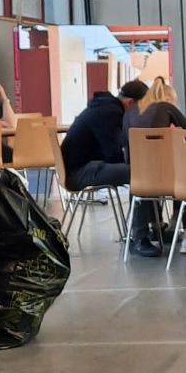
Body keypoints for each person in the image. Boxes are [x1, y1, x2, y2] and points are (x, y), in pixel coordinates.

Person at [61, 79, 157, 258]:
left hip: (82, 167)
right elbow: (113, 153)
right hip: (80, 172)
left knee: (140, 171)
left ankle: (153, 228)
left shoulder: (105, 107)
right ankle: (139, 237)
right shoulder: (109, 112)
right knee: (139, 173)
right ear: (130, 103)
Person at [122, 76, 186, 253]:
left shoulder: (129, 113)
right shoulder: (166, 107)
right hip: (168, 179)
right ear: (169, 98)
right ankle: (185, 231)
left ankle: (149, 231)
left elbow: (124, 143)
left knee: (146, 173)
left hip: (139, 179)